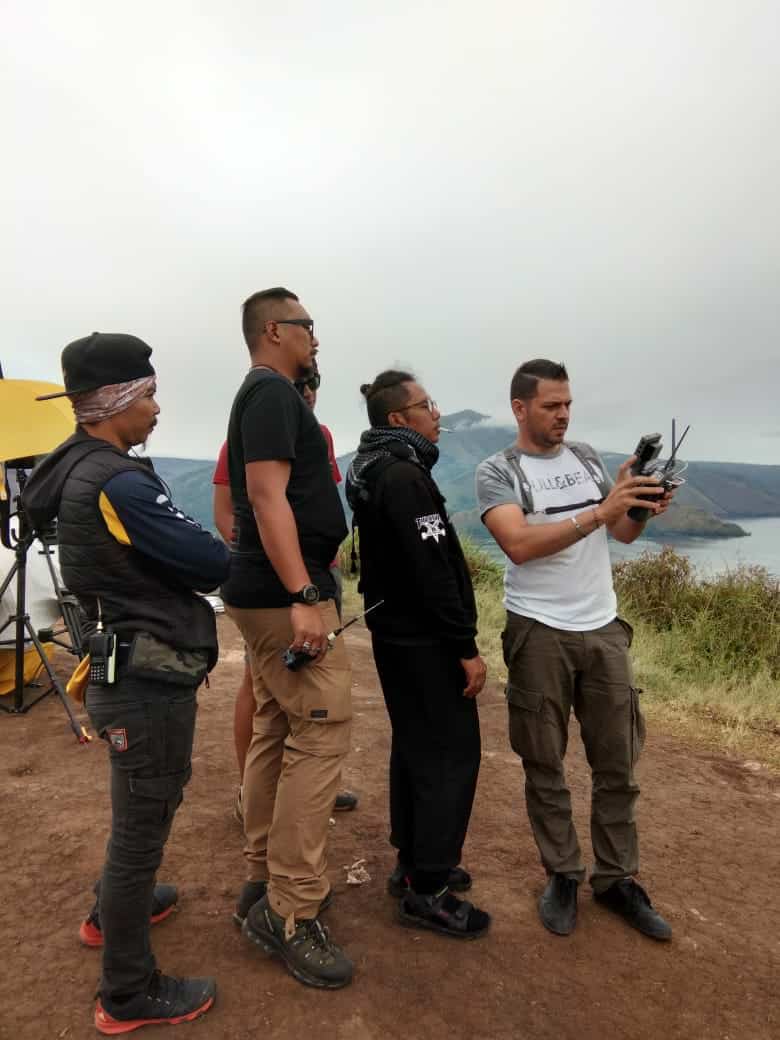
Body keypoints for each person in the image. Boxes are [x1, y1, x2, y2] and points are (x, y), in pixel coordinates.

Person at [22, 333, 230, 1034]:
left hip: (120, 666)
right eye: (150, 395)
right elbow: (207, 561)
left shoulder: (73, 465)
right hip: (145, 678)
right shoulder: (118, 482)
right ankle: (128, 993)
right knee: (143, 825)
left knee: (137, 811)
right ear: (116, 402)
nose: (157, 409)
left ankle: (109, 912)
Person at [475, 359, 674, 941]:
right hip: (539, 630)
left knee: (618, 762)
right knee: (545, 761)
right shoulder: (498, 470)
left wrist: (638, 508)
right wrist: (600, 512)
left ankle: (616, 879)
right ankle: (562, 873)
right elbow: (517, 544)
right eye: (551, 406)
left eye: (567, 404)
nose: (563, 415)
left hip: (603, 626)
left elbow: (622, 534)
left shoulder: (586, 457)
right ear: (520, 408)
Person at [220, 287, 353, 989]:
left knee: (275, 725)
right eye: (307, 326)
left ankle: (262, 879)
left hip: (264, 592)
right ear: (274, 330)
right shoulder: (271, 392)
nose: (315, 338)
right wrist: (304, 594)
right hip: (283, 597)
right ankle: (292, 912)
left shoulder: (264, 395)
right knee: (322, 732)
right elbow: (265, 497)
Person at [346, 370, 491, 940]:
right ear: (398, 419)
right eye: (427, 405)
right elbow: (433, 570)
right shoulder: (405, 476)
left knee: (416, 747)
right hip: (425, 638)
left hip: (396, 632)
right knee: (449, 755)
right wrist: (464, 645)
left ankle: (413, 860)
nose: (437, 414)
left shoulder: (373, 466)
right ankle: (427, 889)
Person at [212, 365, 357, 820]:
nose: (307, 393)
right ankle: (255, 792)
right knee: (267, 692)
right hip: (283, 585)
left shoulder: (320, 435)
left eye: (313, 384)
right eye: (299, 385)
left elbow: (316, 499)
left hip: (317, 575)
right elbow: (232, 513)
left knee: (294, 698)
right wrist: (281, 572)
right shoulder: (250, 431)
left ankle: (298, 790)